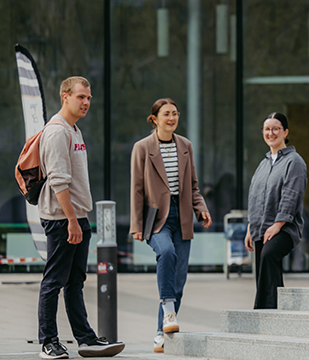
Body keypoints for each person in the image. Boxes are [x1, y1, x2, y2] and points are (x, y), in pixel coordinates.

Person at [36, 76, 125, 358]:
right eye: (80, 97)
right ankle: (48, 341)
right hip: (63, 219)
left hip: (77, 217)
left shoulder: (74, 130)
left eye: (88, 98)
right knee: (54, 281)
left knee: (75, 282)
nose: (86, 102)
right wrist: (72, 221)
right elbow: (58, 183)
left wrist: (79, 220)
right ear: (65, 97)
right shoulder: (57, 132)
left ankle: (85, 339)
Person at [130, 98, 212, 353]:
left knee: (178, 280)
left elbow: (193, 186)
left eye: (175, 114)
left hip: (183, 215)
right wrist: (136, 224)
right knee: (166, 252)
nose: (172, 118)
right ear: (154, 118)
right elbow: (136, 189)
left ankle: (160, 333)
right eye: (166, 114)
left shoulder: (185, 145)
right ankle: (168, 314)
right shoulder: (142, 148)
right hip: (156, 218)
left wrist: (202, 208)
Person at [245, 112, 308, 310]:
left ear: (285, 132)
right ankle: (276, 310)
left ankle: (263, 310)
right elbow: (254, 197)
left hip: (285, 228)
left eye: (275, 129)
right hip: (260, 228)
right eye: (267, 129)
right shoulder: (263, 164)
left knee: (269, 255)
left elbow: (292, 194)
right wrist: (250, 227)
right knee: (265, 271)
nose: (270, 133)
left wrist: (278, 224)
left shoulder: (294, 161)